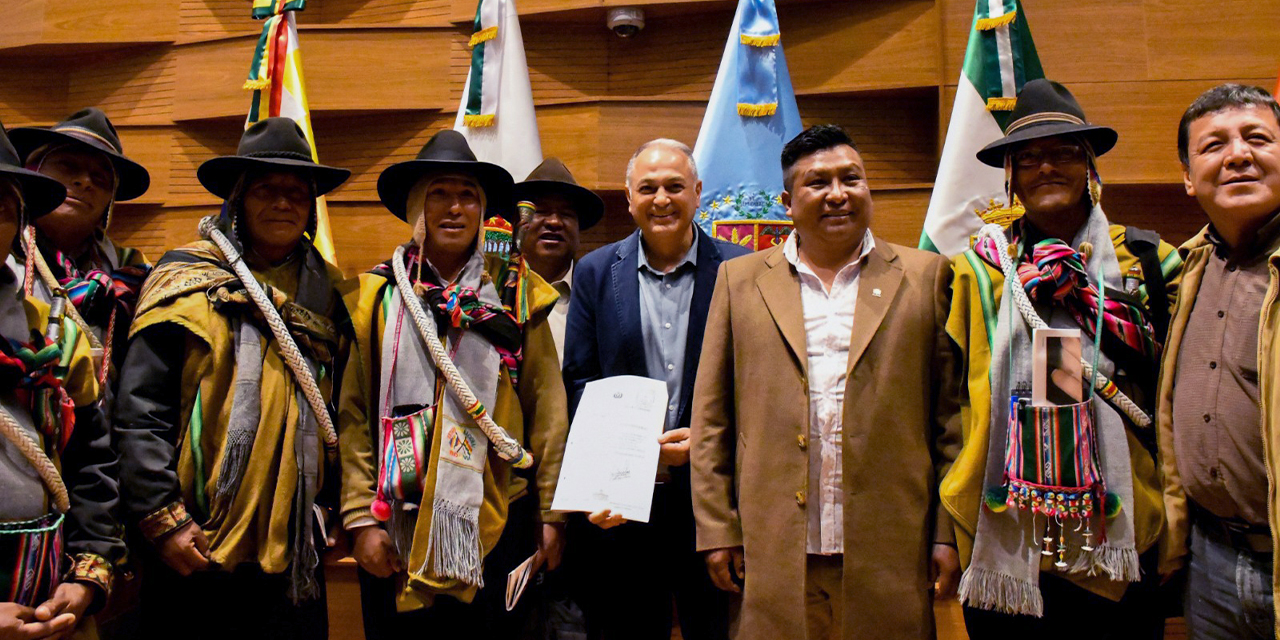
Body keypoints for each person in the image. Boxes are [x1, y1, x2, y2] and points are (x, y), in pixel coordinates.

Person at [689, 124, 962, 640]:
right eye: (818, 183)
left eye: (851, 179)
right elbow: (711, 419)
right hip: (770, 553)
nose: (838, 194)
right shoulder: (741, 281)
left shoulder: (927, 277)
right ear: (787, 201)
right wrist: (717, 529)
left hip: (892, 552)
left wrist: (946, 532)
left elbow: (950, 419)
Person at [942, 79, 1182, 639]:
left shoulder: (1150, 261)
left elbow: (1179, 398)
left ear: (1091, 167)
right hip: (1006, 523)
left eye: (1064, 153)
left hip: (1126, 522)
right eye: (1028, 158)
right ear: (1011, 179)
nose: (1045, 167)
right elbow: (951, 398)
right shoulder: (977, 272)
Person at [113, 117, 352, 640]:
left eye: (297, 192)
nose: (283, 203)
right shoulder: (184, 279)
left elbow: (343, 413)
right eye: (267, 189)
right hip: (193, 535)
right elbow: (140, 409)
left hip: (293, 541)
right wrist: (163, 518)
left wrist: (333, 506)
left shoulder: (333, 297)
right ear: (239, 199)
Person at [337, 130, 569, 639]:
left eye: (467, 194)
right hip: (395, 522)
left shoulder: (518, 294)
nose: (454, 207)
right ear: (417, 206)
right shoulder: (374, 299)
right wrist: (359, 518)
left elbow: (548, 410)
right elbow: (352, 415)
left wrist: (551, 514)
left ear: (483, 210)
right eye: (439, 192)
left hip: (498, 517)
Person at [562, 138, 748, 640]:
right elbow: (579, 382)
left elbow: (755, 386)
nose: (661, 198)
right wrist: (641, 453)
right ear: (629, 198)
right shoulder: (596, 272)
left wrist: (704, 443)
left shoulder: (743, 271)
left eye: (674, 186)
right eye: (648, 188)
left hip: (712, 507)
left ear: (698, 192)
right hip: (623, 505)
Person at [1158, 83, 1280, 640]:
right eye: (1213, 146)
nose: (1237, 154)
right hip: (1210, 561)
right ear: (1189, 177)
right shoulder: (1183, 271)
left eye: (1257, 138)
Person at [0, 122, 124, 639]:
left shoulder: (50, 335)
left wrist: (88, 573)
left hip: (52, 603)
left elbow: (93, 458)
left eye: (4, 208)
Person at [9, 108, 152, 401]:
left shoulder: (136, 275)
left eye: (100, 178)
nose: (84, 181)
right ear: (34, 174)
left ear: (109, 202)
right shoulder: (6, 256)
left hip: (102, 434)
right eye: (67, 166)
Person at [513, 157, 604, 364]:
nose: (554, 221)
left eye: (566, 214)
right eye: (541, 212)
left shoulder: (601, 295)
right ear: (517, 223)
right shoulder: (494, 291)